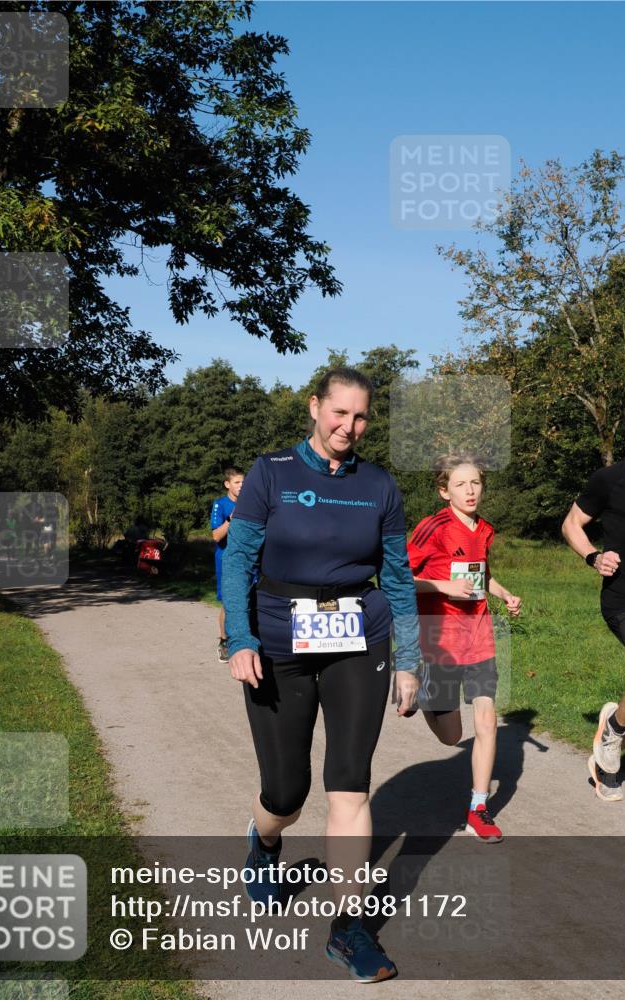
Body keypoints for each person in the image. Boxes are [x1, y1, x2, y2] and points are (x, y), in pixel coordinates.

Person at [222, 367, 420, 983]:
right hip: (278, 639)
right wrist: (241, 637)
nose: (348, 428)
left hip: (359, 637)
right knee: (286, 791)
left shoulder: (379, 485)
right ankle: (266, 840)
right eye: (339, 414)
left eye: (360, 418)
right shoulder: (271, 472)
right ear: (315, 408)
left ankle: (348, 930)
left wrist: (409, 659)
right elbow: (239, 562)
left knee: (349, 785)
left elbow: (396, 575)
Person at [407, 458, 521, 842]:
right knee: (452, 737)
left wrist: (502, 593)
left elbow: (480, 572)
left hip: (479, 634)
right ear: (445, 491)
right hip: (440, 638)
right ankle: (425, 696)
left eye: (476, 483)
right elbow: (400, 577)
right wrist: (443, 588)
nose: (470, 491)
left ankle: (478, 807)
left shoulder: (485, 529)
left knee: (487, 721)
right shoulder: (433, 527)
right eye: (460, 484)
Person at [562, 399, 625, 802]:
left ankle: (607, 764)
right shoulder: (610, 480)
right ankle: (613, 733)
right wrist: (593, 556)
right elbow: (572, 524)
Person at [210, 466, 244, 662]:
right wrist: (232, 519)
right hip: (226, 559)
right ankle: (224, 641)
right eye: (237, 482)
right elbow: (216, 536)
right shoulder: (220, 505)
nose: (242, 486)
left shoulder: (251, 502)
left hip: (248, 559)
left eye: (244, 483)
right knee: (228, 602)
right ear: (227, 484)